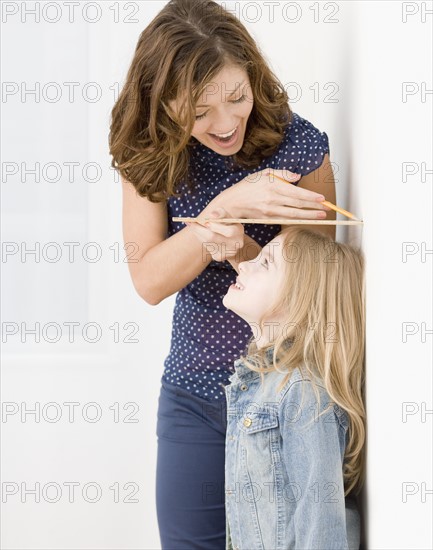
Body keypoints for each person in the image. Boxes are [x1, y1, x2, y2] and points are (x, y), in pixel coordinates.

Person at [109, 0, 337, 547]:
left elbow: (317, 280)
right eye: (199, 110)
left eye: (237, 96)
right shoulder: (149, 153)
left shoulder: (295, 142)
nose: (227, 121)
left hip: (287, 397)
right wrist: (226, 208)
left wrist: (238, 247)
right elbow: (149, 280)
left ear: (251, 76)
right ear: (162, 104)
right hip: (193, 398)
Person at [221, 227, 366, 550]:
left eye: (266, 263)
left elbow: (321, 524)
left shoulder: (302, 392)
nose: (243, 264)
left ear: (299, 297)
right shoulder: (262, 383)